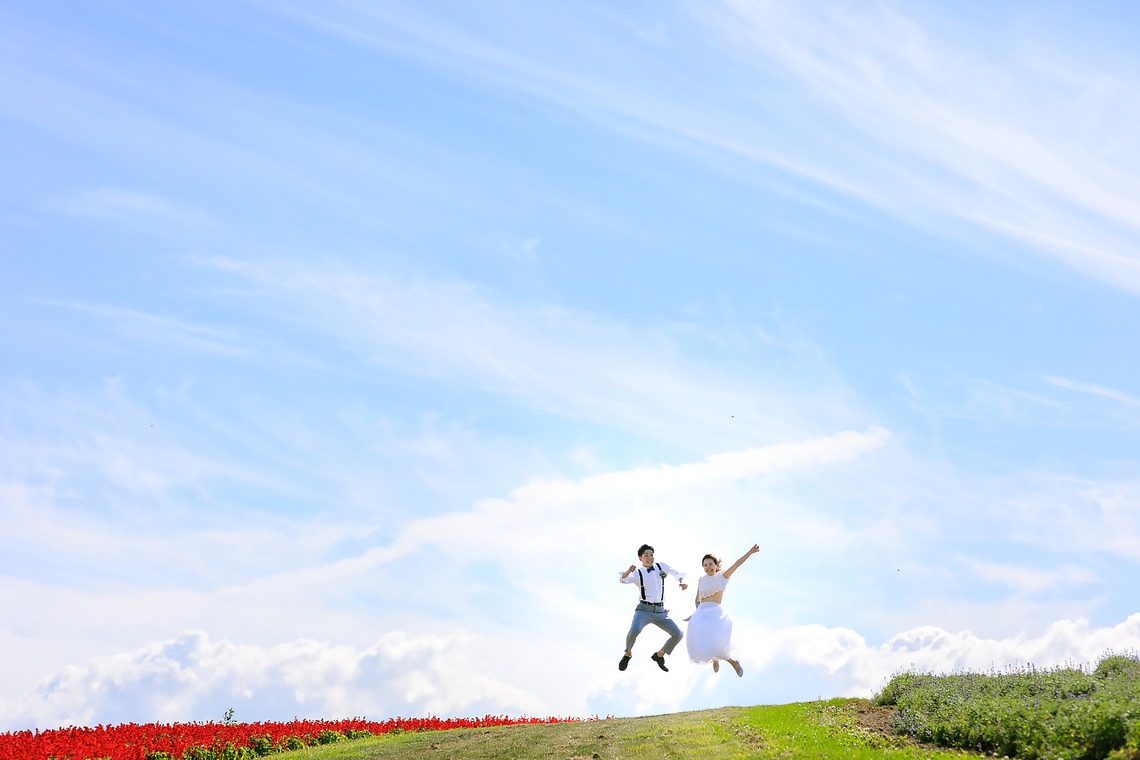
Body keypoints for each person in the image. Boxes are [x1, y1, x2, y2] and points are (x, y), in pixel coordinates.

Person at [685, 544, 759, 677]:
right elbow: (697, 598)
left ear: (716, 565)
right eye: (705, 565)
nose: (708, 567)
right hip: (701, 613)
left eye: (710, 564)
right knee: (704, 643)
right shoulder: (701, 580)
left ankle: (733, 663)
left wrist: (750, 552)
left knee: (717, 643)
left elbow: (737, 564)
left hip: (715, 613)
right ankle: (715, 659)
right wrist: (696, 610)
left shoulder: (722, 576)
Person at [618, 544, 688, 672]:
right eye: (646, 555)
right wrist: (628, 571)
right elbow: (623, 580)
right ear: (640, 558)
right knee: (634, 630)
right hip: (644, 610)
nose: (650, 558)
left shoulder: (661, 566)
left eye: (651, 555)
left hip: (661, 612)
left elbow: (674, 572)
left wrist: (681, 582)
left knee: (678, 634)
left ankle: (659, 655)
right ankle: (627, 654)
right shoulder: (638, 573)